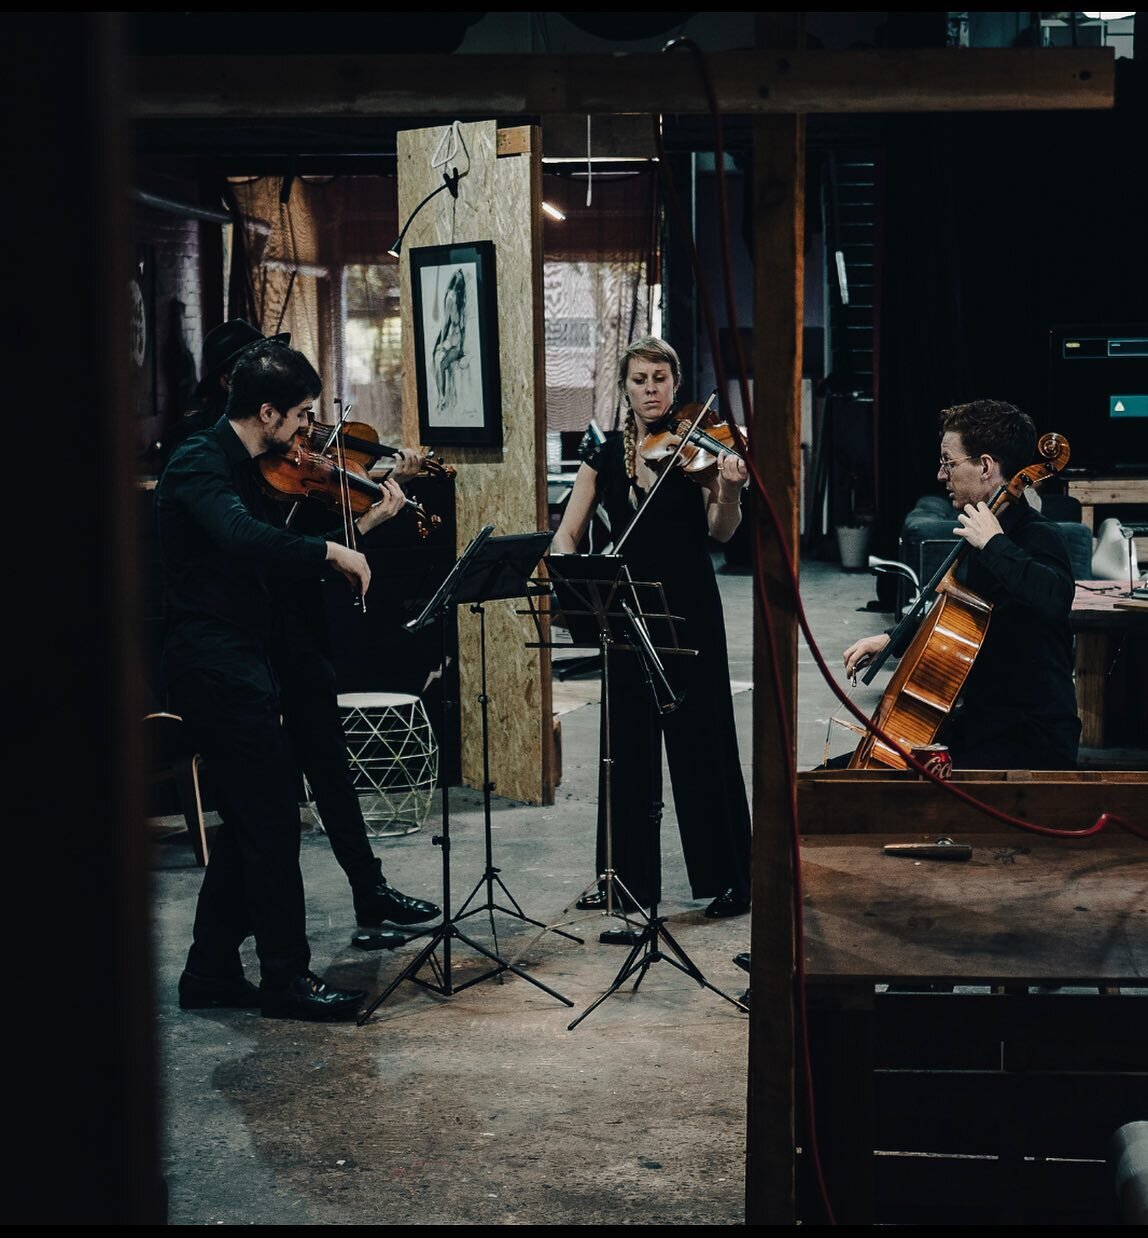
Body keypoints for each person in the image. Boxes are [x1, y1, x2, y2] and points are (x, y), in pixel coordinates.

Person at [157, 339, 414, 1021]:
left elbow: (269, 553)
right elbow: (242, 538)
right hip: (210, 664)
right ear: (266, 411)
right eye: (301, 414)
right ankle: (286, 979)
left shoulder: (247, 463)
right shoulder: (200, 465)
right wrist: (331, 549)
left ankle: (209, 970)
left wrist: (360, 526)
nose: (307, 430)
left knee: (251, 825)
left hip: (245, 659)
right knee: (269, 823)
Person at [551, 335, 752, 920]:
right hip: (625, 606)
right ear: (626, 386)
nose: (650, 390)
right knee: (625, 747)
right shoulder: (605, 454)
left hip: (687, 606)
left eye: (660, 378)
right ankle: (623, 878)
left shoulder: (700, 450)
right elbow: (569, 529)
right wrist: (570, 569)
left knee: (703, 739)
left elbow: (721, 530)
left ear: (676, 382)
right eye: (639, 380)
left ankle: (730, 877)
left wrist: (732, 489)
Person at [843, 398, 1081, 770]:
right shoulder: (978, 532)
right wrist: (894, 639)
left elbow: (1056, 597)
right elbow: (957, 616)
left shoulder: (1037, 535)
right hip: (981, 727)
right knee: (842, 774)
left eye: (948, 462)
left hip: (1029, 740)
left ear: (985, 466)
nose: (941, 474)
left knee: (871, 787)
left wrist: (994, 544)